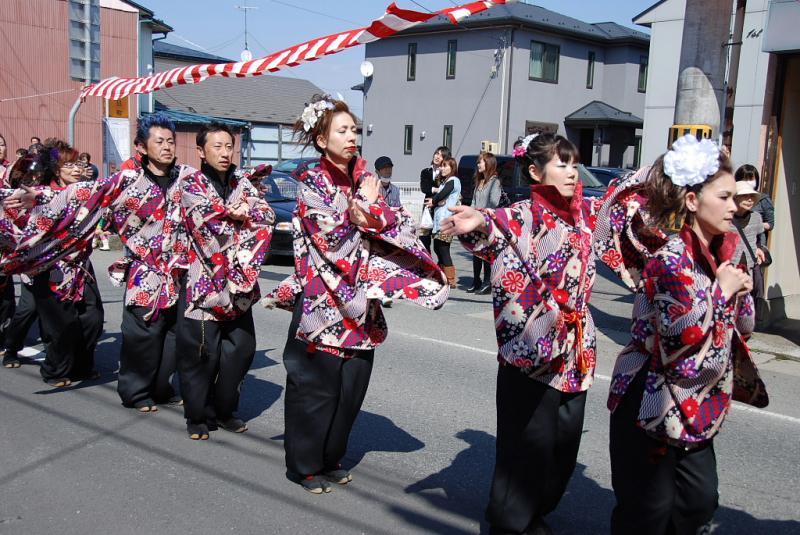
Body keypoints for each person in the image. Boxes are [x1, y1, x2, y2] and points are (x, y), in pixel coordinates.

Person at [263, 94, 448, 494]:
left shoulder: (366, 179)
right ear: (321, 139)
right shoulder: (312, 183)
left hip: (362, 303)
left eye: (354, 130)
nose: (351, 137)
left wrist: (370, 209)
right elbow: (333, 240)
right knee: (316, 390)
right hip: (324, 302)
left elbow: (400, 226)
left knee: (350, 391)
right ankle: (305, 465)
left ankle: (330, 457)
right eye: (342, 130)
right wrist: (366, 208)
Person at [442, 132, 615, 534]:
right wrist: (479, 220)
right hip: (533, 346)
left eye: (574, 164)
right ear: (535, 172)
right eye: (562, 164)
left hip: (574, 349)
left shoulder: (586, 214)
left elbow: (621, 210)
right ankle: (511, 521)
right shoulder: (523, 214)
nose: (572, 172)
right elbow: (495, 227)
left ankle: (534, 510)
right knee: (525, 445)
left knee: (563, 446)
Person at [604, 135, 768, 535]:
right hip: (650, 395)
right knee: (647, 511)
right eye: (724, 197)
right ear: (692, 201)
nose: (733, 207)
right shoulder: (668, 260)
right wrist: (722, 293)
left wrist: (739, 294)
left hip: (695, 401)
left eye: (734, 198)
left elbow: (744, 328)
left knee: (699, 501)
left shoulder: (725, 254)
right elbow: (679, 337)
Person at [1, 113, 187, 409]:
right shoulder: (127, 180)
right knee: (141, 337)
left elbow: (213, 200)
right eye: (159, 141)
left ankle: (159, 387)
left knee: (169, 337)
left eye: (170, 141)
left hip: (176, 274)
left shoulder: (186, 178)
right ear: (141, 147)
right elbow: (81, 193)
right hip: (139, 272)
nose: (166, 146)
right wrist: (40, 196)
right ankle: (135, 392)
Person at [178, 122, 275, 439]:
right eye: (217, 146)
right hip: (203, 283)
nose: (224, 152)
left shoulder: (242, 183)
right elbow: (205, 220)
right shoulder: (190, 183)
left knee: (242, 349)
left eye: (229, 146)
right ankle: (197, 415)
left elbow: (266, 216)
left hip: (238, 285)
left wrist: (243, 213)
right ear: (201, 150)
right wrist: (236, 214)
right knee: (202, 354)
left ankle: (224, 410)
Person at [0, 141, 104, 386]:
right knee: (55, 323)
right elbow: (14, 221)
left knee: (93, 318)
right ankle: (50, 368)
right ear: (56, 169)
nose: (76, 169)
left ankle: (82, 366)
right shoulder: (36, 195)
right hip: (47, 267)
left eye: (78, 164)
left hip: (80, 265)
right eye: (69, 165)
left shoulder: (87, 192)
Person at [467, 151, 502, 294]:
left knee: (486, 252)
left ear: (488, 163)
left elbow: (494, 203)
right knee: (476, 251)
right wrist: (470, 214)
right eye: (478, 162)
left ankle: (488, 282)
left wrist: (481, 212)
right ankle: (476, 280)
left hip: (487, 222)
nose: (478, 164)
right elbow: (473, 202)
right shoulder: (479, 182)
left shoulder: (495, 182)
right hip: (476, 221)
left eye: (480, 162)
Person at [427, 157, 461, 288]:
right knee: (437, 247)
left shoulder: (453, 180)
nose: (442, 168)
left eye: (445, 166)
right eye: (441, 166)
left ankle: (450, 279)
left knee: (443, 248)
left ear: (452, 168)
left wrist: (434, 200)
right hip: (440, 221)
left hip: (447, 221)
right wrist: (436, 201)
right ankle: (442, 275)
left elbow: (443, 194)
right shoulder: (444, 182)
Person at [419, 146, 450, 252]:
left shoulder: (446, 174)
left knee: (440, 245)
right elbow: (424, 188)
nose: (437, 156)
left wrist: (434, 189)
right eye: (437, 153)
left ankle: (440, 262)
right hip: (427, 209)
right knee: (424, 240)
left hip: (441, 209)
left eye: (441, 155)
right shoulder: (425, 171)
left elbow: (448, 190)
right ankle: (427, 261)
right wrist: (438, 190)